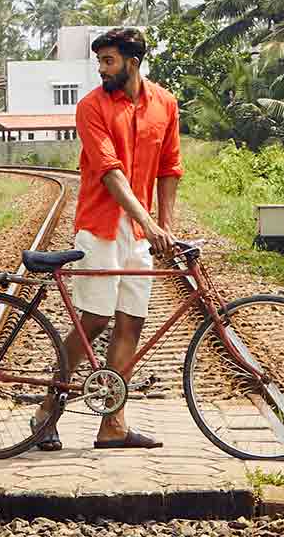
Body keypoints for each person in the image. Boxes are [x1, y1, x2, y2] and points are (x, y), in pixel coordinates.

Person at [33, 26, 183, 450]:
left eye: (109, 61)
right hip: (100, 225)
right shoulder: (91, 107)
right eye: (99, 61)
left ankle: (113, 423)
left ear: (132, 63)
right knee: (94, 320)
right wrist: (149, 223)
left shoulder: (165, 104)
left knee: (131, 323)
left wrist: (163, 226)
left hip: (138, 232)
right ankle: (48, 410)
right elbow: (111, 173)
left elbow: (170, 168)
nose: (102, 69)